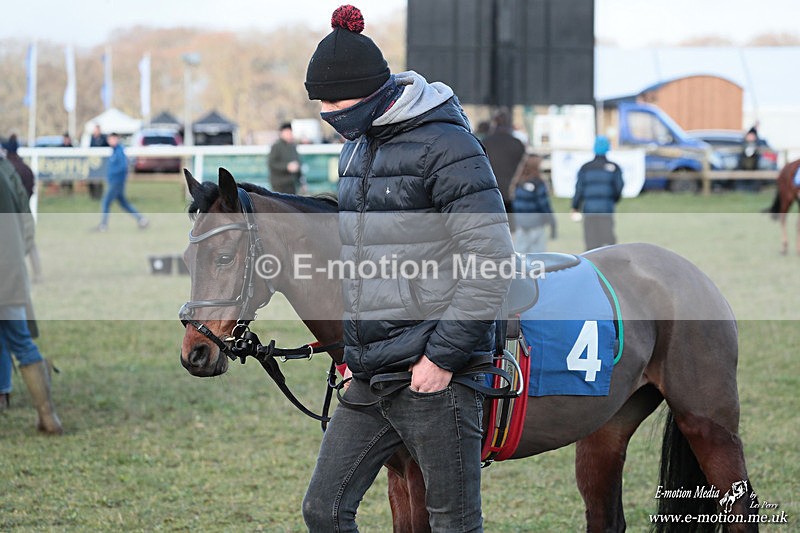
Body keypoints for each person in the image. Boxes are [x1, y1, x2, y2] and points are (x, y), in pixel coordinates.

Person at [301, 5, 514, 532]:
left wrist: (440, 358)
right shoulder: (355, 149)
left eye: (333, 100)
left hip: (436, 378)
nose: (327, 112)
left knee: (451, 523)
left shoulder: (449, 146)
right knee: (322, 510)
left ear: (371, 93)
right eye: (319, 102)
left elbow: (490, 263)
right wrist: (351, 350)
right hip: (370, 374)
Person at [0, 156, 63, 433]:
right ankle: (48, 416)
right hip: (10, 271)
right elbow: (27, 225)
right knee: (21, 342)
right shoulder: (8, 171)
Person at [572, 135, 624, 251]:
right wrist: (613, 200)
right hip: (606, 209)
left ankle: (591, 268)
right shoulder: (614, 167)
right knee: (609, 242)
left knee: (591, 243)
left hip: (589, 210)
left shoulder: (585, 167)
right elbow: (619, 187)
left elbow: (579, 189)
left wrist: (575, 206)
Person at [2, 134, 43, 283]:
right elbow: (31, 189)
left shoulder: (6, 170)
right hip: (24, 212)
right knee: (30, 244)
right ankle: (38, 273)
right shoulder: (26, 168)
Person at [95, 133, 148, 232]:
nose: (110, 141)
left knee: (105, 202)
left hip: (117, 182)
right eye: (109, 139)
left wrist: (115, 177)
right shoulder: (114, 151)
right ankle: (141, 219)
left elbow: (123, 167)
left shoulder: (119, 150)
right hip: (114, 182)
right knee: (124, 204)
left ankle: (103, 225)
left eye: (112, 139)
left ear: (116, 139)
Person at [483, 108, 526, 228]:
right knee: (511, 232)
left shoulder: (486, 142)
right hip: (512, 194)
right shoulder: (517, 143)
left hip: (490, 194)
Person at [509, 154, 556, 253]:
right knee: (537, 254)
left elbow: (515, 203)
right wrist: (551, 220)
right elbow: (544, 204)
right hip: (536, 222)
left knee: (521, 252)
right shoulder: (538, 183)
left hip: (521, 222)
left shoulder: (517, 182)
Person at [268, 122, 304, 194]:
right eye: (287, 132)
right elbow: (271, 163)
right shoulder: (276, 146)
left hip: (291, 184)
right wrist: (287, 167)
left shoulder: (293, 146)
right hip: (279, 185)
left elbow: (298, 163)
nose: (289, 134)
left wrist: (301, 181)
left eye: (290, 131)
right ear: (282, 133)